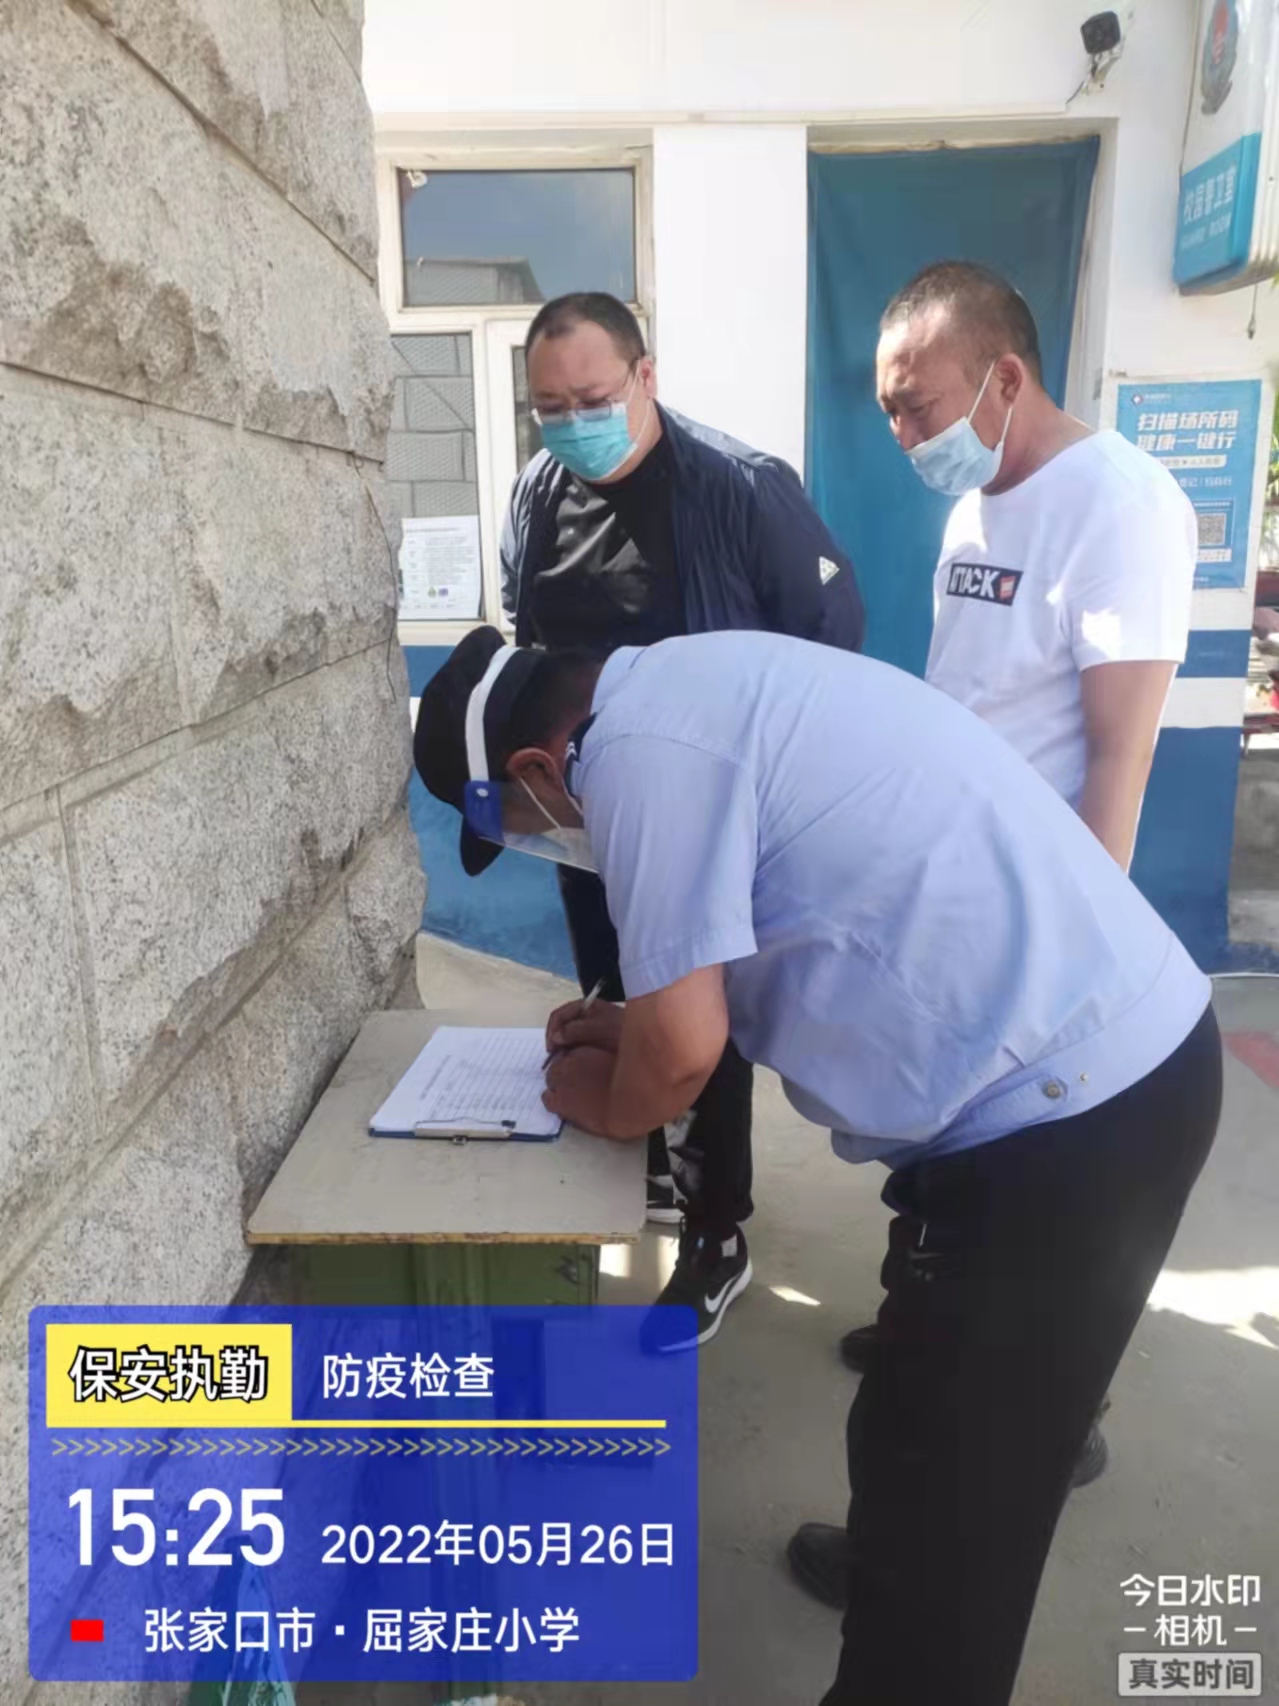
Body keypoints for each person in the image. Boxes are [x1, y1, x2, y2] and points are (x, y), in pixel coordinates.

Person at [413, 623, 1221, 1706]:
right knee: (908, 1411)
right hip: (1087, 1071)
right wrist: (641, 1035)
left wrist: (604, 1096)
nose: (549, 841)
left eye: (514, 827)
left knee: (955, 1539)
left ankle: (910, 1617)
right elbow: (746, 946)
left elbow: (680, 1060)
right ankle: (892, 1557)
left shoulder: (635, 759)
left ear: (533, 770)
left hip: (1071, 1123)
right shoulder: (677, 688)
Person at [810, 259, 1199, 1508]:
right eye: (887, 410)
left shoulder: (1117, 505)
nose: (902, 433)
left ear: (1005, 376)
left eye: (916, 405)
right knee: (943, 1154)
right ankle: (925, 1320)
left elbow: (1118, 757)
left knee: (1027, 1178)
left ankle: (1050, 1405)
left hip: (1040, 918)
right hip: (955, 890)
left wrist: (1070, 962)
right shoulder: (976, 509)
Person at [498, 290, 865, 1346]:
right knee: (614, 992)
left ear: (645, 377)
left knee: (699, 1015)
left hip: (710, 812)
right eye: (549, 406)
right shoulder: (538, 494)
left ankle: (715, 1233)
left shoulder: (739, 489)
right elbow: (525, 624)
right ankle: (648, 1162)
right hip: (588, 806)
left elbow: (828, 638)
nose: (572, 421)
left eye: (592, 397)